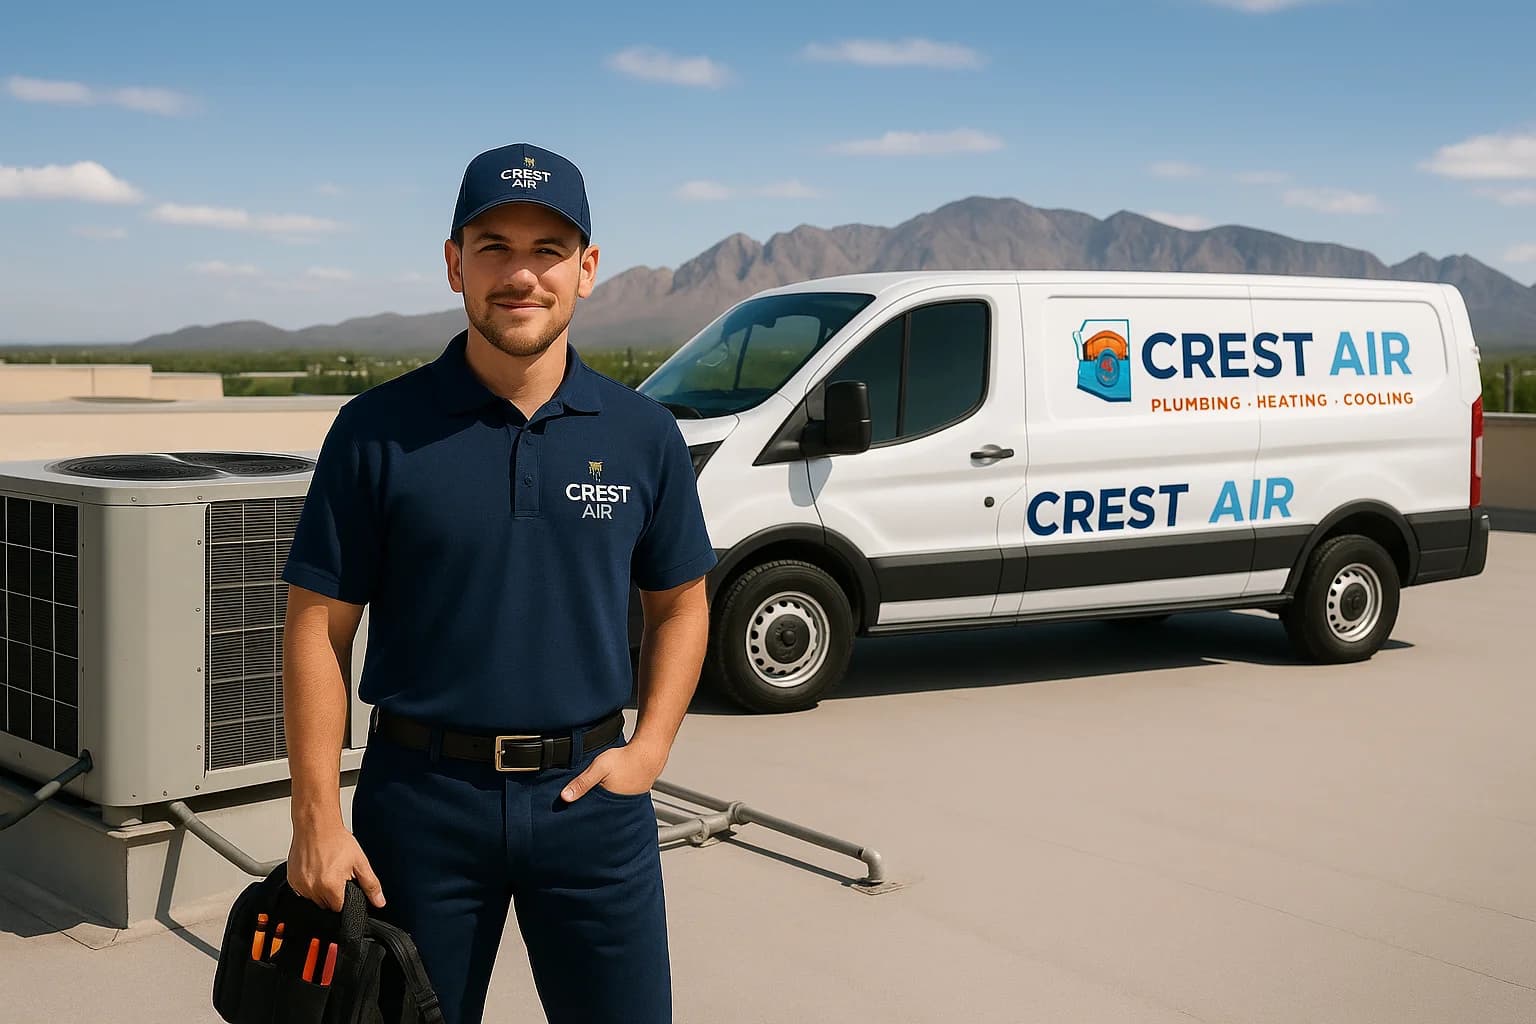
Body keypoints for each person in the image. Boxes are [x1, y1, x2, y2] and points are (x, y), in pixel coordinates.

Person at [278, 142, 716, 1024]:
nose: (522, 275)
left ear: (587, 271)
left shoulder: (643, 435)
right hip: (419, 811)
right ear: (454, 265)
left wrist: (652, 749)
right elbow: (317, 627)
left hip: (593, 804)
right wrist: (317, 819)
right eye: (494, 248)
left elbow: (680, 605)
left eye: (548, 250)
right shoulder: (375, 432)